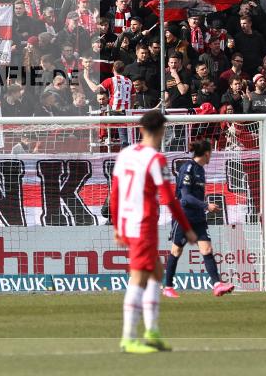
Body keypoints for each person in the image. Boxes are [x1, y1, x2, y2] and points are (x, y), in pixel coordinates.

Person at [111, 111, 195, 353]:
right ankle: (128, 338)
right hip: (143, 223)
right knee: (138, 277)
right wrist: (187, 228)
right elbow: (170, 198)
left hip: (127, 222)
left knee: (156, 271)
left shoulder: (125, 154)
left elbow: (115, 193)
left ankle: (152, 331)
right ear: (161, 131)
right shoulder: (156, 159)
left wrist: (117, 225)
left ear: (141, 129)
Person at [162, 139, 235, 299]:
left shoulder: (200, 170)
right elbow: (186, 198)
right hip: (184, 216)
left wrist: (203, 209)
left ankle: (217, 285)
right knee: (176, 251)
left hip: (198, 217)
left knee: (207, 249)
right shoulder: (187, 168)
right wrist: (206, 206)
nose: (211, 157)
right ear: (207, 153)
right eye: (211, 154)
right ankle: (167, 287)